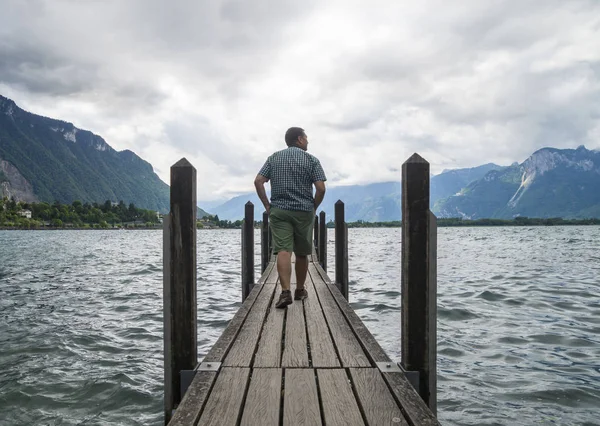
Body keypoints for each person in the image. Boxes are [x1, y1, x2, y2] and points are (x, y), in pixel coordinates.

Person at [254, 127, 327, 308]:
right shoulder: (311, 160)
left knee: (283, 251)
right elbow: (321, 189)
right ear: (300, 139)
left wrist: (267, 205)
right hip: (304, 211)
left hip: (279, 211)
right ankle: (300, 290)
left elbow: (258, 181)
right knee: (302, 253)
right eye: (307, 138)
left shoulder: (273, 158)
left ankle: (285, 292)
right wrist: (313, 207)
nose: (308, 141)